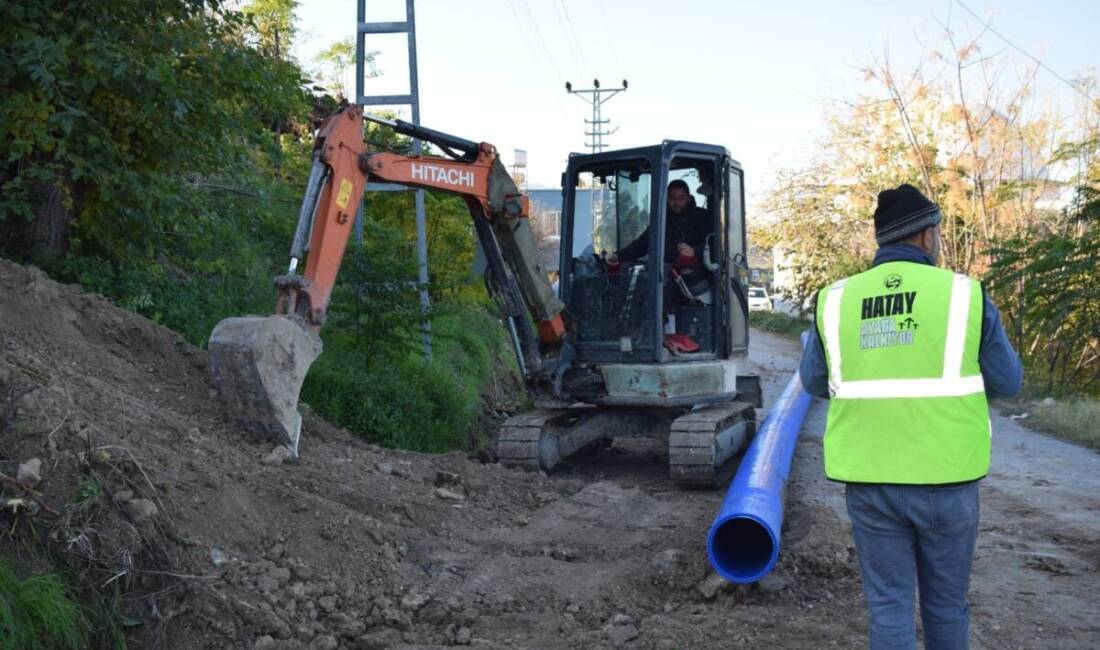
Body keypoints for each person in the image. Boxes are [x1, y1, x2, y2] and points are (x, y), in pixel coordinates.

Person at [799, 183, 1022, 650]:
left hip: (870, 480)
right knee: (945, 604)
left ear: (884, 240)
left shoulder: (837, 299)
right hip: (947, 479)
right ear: (927, 236)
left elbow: (815, 382)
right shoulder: (964, 295)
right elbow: (1007, 381)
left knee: (889, 606)